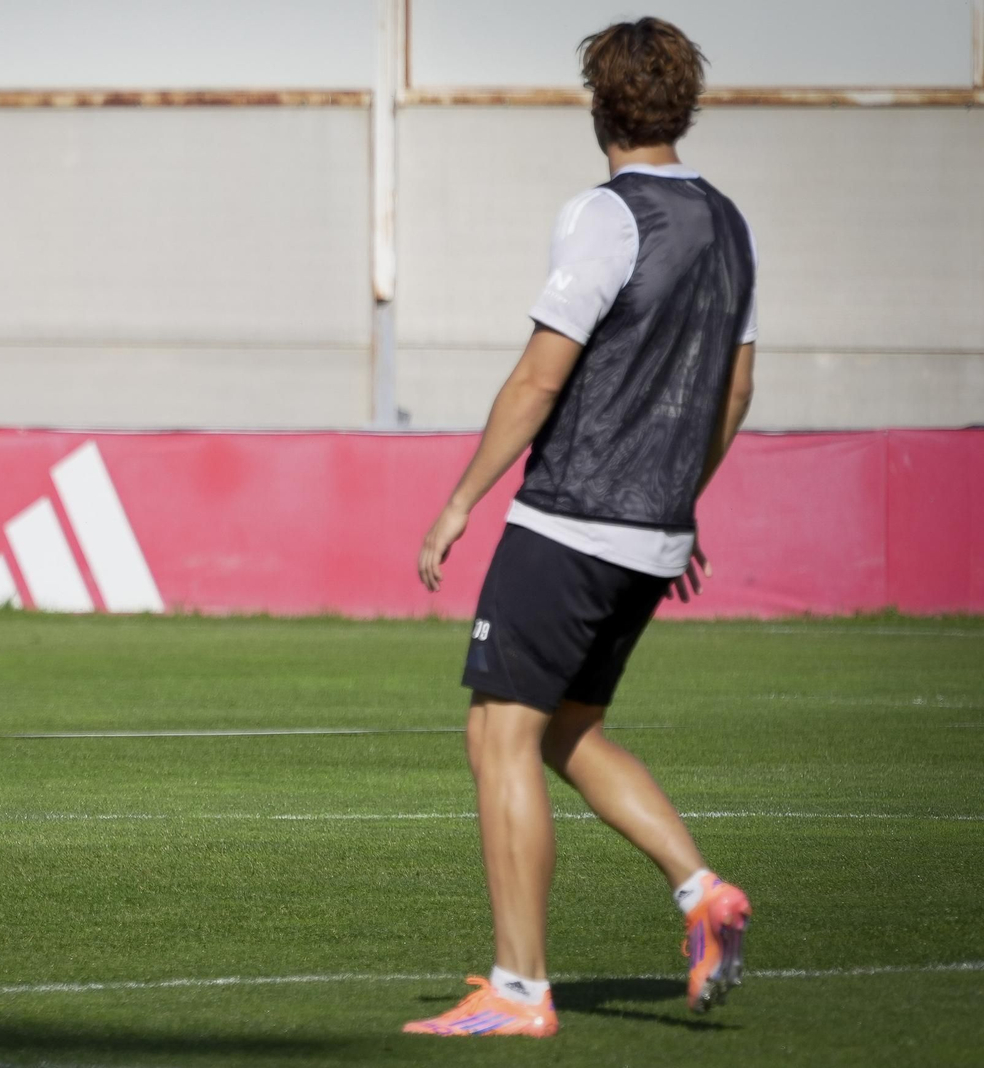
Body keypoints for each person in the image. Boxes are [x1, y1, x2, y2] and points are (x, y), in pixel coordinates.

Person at [403, 19, 757, 1037]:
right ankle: (702, 895)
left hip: (572, 519)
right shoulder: (730, 223)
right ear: (683, 105)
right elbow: (735, 388)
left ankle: (517, 991)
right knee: (566, 728)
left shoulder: (607, 216)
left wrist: (462, 497)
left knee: (495, 735)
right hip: (648, 531)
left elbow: (537, 377)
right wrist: (678, 505)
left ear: (597, 107)